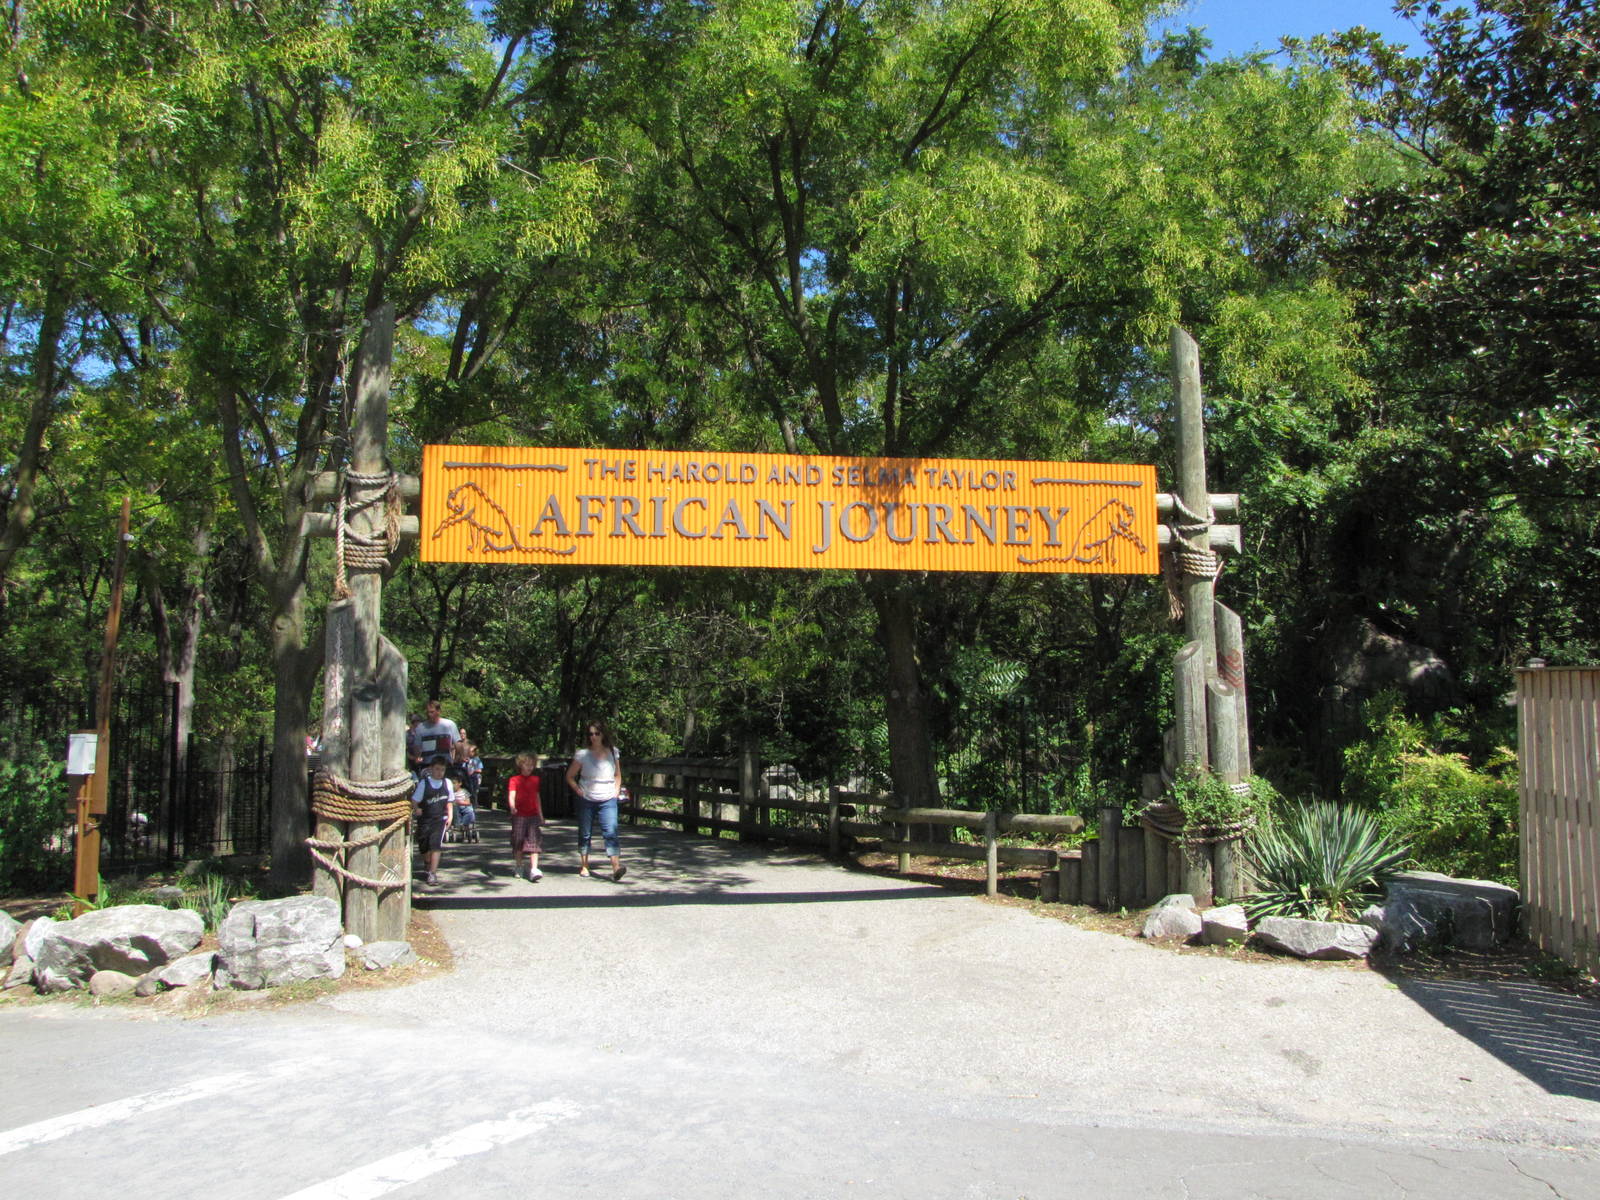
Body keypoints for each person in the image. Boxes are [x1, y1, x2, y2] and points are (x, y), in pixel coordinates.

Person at [567, 719, 626, 881]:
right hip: (587, 797)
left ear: (603, 734)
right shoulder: (582, 754)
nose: (593, 737)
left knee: (611, 831)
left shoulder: (613, 752)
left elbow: (617, 774)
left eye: (597, 733)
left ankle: (616, 867)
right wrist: (578, 791)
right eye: (590, 734)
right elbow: (570, 776)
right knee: (585, 832)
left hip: (608, 798)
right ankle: (584, 864)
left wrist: (616, 790)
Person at [411, 754, 455, 885]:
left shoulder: (447, 783)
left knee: (435, 845)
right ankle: (427, 861)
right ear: (431, 769)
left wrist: (450, 816)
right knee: (424, 844)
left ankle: (432, 873)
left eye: (442, 769)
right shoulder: (424, 783)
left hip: (440, 818)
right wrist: (416, 809)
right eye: (437, 769)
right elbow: (415, 800)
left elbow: (449, 801)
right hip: (425, 818)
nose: (439, 772)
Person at [507, 752, 544, 880]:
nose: (529, 767)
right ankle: (519, 865)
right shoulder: (514, 780)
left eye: (532, 765)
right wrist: (512, 806)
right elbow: (512, 794)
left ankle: (534, 868)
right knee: (518, 841)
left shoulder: (535, 780)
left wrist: (541, 814)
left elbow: (537, 797)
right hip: (519, 815)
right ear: (520, 765)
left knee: (534, 841)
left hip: (533, 815)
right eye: (527, 764)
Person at [409, 699, 462, 773]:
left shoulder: (449, 725)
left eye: (432, 712)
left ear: (438, 711)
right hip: (427, 765)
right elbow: (417, 746)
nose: (429, 714)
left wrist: (456, 758)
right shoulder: (421, 728)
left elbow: (458, 744)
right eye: (427, 712)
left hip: (446, 765)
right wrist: (417, 757)